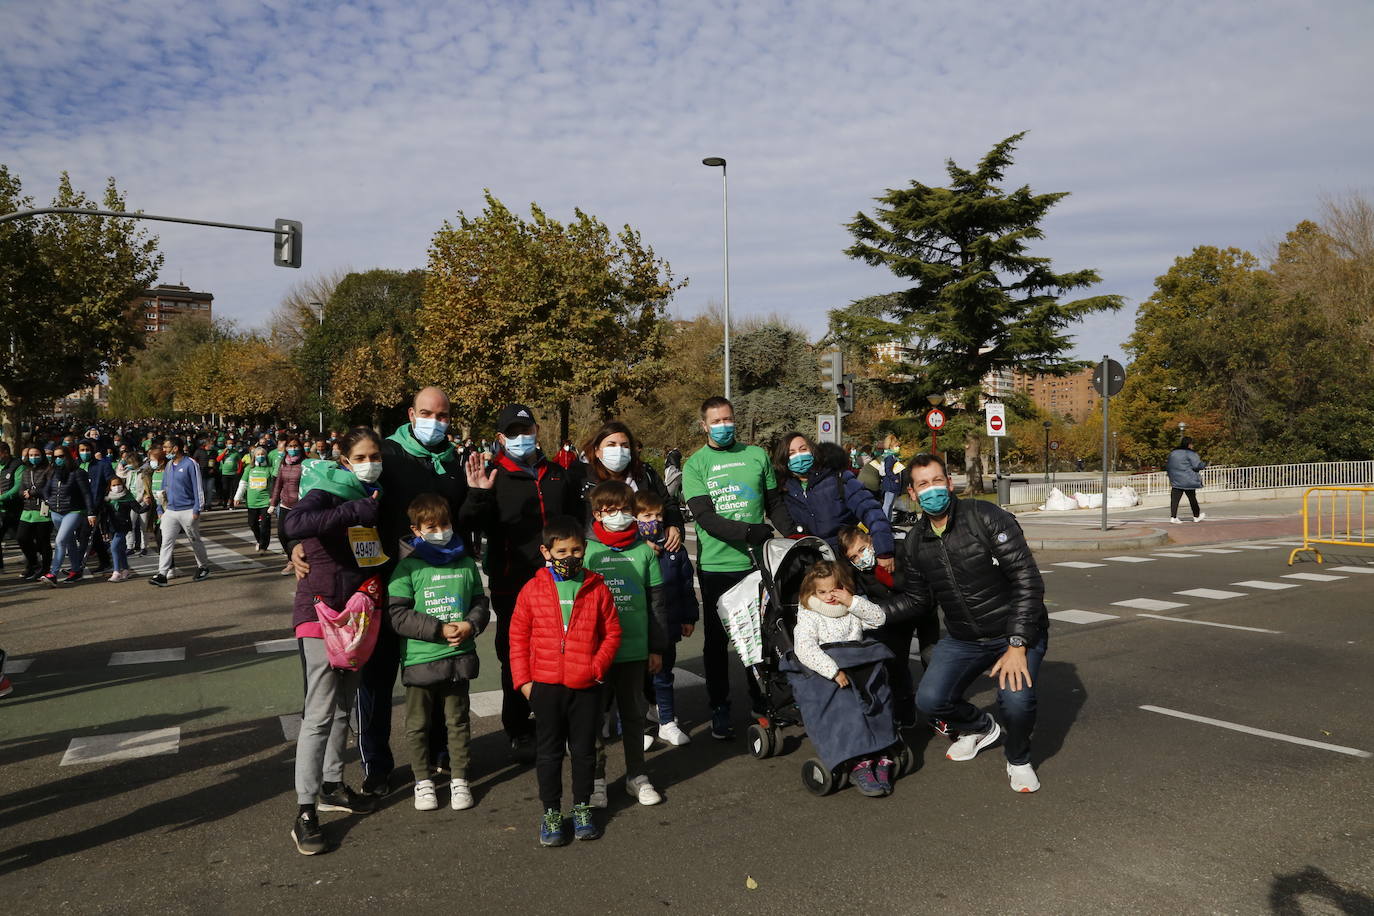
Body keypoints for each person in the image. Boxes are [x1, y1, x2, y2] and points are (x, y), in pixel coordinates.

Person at [901, 454, 1049, 793]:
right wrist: (861, 608)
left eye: (938, 481)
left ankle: (1018, 757)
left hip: (1018, 630)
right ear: (912, 493)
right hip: (966, 637)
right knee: (930, 700)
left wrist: (1017, 644)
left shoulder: (984, 516)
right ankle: (980, 727)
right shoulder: (914, 542)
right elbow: (918, 600)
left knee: (1016, 701)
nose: (932, 489)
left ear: (950, 484)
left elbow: (1028, 580)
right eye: (923, 484)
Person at [359, 386, 469, 796]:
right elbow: (337, 499)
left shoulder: (454, 460)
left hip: (436, 590)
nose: (434, 423)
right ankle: (377, 766)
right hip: (384, 584)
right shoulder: (383, 456)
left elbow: (462, 518)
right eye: (427, 413)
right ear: (410, 413)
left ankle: (440, 752)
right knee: (377, 679)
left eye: (442, 416)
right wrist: (295, 543)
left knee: (436, 673)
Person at [461, 403, 584, 763]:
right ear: (500, 438)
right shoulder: (494, 475)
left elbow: (576, 522)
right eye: (512, 433)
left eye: (526, 431)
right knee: (515, 655)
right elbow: (468, 522)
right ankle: (517, 727)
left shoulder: (557, 473)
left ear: (536, 432)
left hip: (558, 579)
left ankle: (556, 719)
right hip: (512, 583)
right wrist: (478, 493)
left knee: (559, 647)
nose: (520, 438)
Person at [282, 431, 385, 855]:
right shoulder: (326, 488)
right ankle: (305, 811)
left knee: (346, 704)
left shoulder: (376, 492)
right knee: (320, 713)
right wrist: (350, 510)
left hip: (358, 614)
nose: (369, 462)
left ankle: (331, 784)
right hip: (320, 613)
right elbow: (294, 524)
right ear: (344, 459)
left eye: (375, 455)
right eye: (361, 456)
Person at [508, 515, 621, 846]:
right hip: (545, 686)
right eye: (561, 551)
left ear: (584, 549)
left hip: (585, 685)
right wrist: (524, 682)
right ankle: (552, 812)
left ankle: (582, 807)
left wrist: (597, 667)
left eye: (576, 550)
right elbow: (517, 637)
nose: (569, 557)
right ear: (547, 551)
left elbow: (612, 632)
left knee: (585, 752)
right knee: (549, 753)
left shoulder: (596, 587)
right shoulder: (532, 589)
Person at [680, 396, 787, 738]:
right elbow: (706, 519)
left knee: (761, 636)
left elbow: (775, 504)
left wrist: (799, 534)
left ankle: (761, 702)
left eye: (728, 419)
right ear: (704, 426)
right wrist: (748, 531)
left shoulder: (756, 456)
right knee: (716, 642)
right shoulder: (695, 465)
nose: (724, 426)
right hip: (716, 566)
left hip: (755, 564)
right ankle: (719, 705)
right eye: (716, 421)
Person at [387, 493, 489, 813]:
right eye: (431, 526)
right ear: (416, 530)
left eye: (444, 524)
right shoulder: (408, 567)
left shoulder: (465, 563)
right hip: (421, 660)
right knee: (417, 724)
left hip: (459, 658)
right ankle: (423, 781)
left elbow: (479, 603)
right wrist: (437, 629)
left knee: (457, 721)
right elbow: (397, 614)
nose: (440, 531)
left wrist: (471, 625)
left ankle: (459, 778)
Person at [583, 481, 668, 808]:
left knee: (634, 716)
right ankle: (596, 779)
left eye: (623, 510)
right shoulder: (588, 551)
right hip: (597, 653)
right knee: (592, 719)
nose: (617, 516)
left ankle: (637, 775)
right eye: (609, 510)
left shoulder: (645, 551)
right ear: (597, 513)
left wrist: (656, 647)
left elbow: (656, 602)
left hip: (635, 651)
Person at [792, 559, 893, 796]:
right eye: (822, 592)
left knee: (878, 696)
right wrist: (832, 670)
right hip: (831, 670)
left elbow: (879, 619)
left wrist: (851, 601)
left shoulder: (850, 609)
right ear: (813, 591)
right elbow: (804, 648)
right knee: (848, 706)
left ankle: (882, 748)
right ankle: (859, 761)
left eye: (833, 590)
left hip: (857, 665)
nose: (828, 597)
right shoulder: (809, 614)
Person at [837, 523, 937, 727]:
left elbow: (921, 592)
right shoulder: (859, 572)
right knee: (895, 663)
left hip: (923, 613)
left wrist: (886, 590)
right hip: (894, 619)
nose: (860, 558)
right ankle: (905, 710)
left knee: (932, 657)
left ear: (871, 541)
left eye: (862, 549)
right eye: (854, 557)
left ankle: (940, 709)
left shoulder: (901, 551)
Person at [633, 489, 697, 747]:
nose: (655, 520)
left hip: (666, 624)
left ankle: (667, 722)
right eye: (647, 515)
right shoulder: (631, 549)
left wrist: (689, 616)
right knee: (636, 679)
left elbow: (684, 586)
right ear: (634, 517)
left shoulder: (675, 549)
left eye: (658, 515)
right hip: (637, 626)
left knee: (663, 673)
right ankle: (639, 725)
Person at [772, 435, 895, 565]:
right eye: (791, 453)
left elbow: (870, 509)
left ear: (813, 451)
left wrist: (884, 548)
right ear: (784, 459)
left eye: (803, 449)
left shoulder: (837, 477)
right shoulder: (783, 490)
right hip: (813, 565)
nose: (799, 456)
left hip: (848, 559)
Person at [579, 421, 685, 554]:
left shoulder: (645, 473)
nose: (618, 450)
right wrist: (638, 546)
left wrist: (674, 525)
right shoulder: (580, 477)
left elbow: (667, 502)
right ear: (597, 451)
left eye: (624, 445)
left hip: (652, 556)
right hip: (599, 555)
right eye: (611, 445)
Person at [148, 437, 211, 587]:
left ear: (176, 448)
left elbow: (198, 486)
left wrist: (197, 508)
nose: (164, 450)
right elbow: (163, 488)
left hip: (188, 509)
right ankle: (162, 574)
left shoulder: (190, 464)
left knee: (194, 540)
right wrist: (159, 507)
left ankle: (203, 567)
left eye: (167, 447)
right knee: (166, 541)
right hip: (170, 510)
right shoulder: (169, 465)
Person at [39, 445, 96, 587]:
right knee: (69, 542)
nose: (58, 459)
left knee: (60, 540)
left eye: (61, 456)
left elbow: (87, 494)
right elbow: (45, 490)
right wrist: (48, 500)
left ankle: (53, 573)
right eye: (56, 457)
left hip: (74, 511)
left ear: (68, 457)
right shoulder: (52, 472)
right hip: (56, 512)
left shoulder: (78, 472)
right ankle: (76, 571)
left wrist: (91, 513)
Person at [16, 446, 54, 581]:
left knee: (43, 542)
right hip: (27, 510)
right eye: (31, 455)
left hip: (43, 510)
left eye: (37, 454)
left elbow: (48, 487)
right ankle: (33, 564)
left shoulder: (49, 470)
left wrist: (32, 492)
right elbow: (21, 490)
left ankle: (45, 568)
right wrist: (24, 494)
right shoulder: (26, 471)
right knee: (22, 538)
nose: (33, 457)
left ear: (42, 455)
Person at [75, 439, 114, 574]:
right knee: (92, 535)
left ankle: (77, 566)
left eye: (87, 450)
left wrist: (105, 497)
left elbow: (112, 481)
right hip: (78, 506)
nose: (85, 453)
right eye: (82, 450)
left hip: (95, 506)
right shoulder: (76, 465)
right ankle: (105, 561)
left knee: (86, 535)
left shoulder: (102, 465)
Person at [270, 438, 305, 573]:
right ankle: (291, 559)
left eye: (296, 446)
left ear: (300, 447)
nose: (293, 448)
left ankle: (299, 560)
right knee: (282, 533)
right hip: (285, 504)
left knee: (297, 534)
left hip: (300, 505)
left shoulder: (305, 464)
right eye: (290, 446)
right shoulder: (283, 464)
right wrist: (273, 503)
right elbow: (278, 485)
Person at [233, 446, 275, 553]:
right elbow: (243, 484)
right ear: (254, 456)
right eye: (258, 454)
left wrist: (273, 498)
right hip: (252, 502)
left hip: (265, 501)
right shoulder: (249, 469)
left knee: (265, 525)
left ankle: (263, 546)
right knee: (252, 523)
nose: (260, 456)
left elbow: (274, 485)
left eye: (262, 454)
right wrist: (237, 497)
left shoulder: (269, 469)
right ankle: (259, 540)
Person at [100, 476, 139, 581]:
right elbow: (104, 516)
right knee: (120, 549)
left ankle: (116, 571)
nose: (117, 487)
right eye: (114, 485)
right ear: (110, 487)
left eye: (118, 484)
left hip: (123, 526)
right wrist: (104, 530)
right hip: (112, 527)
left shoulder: (128, 496)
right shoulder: (107, 499)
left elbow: (138, 509)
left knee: (114, 548)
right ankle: (125, 570)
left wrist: (147, 504)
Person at [1167, 436, 1207, 524]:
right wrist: (1204, 464)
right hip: (1188, 480)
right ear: (1189, 444)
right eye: (1192, 444)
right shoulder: (1190, 453)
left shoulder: (1173, 453)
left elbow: (1168, 465)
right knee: (1192, 498)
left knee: (1175, 499)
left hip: (1176, 479)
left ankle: (1173, 517)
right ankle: (1196, 516)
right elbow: (1197, 465)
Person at [0, 442, 22, 571]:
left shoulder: (18, 466)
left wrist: (2, 497)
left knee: (22, 538)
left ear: (6, 453)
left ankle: (34, 560)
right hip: (1, 510)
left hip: (14, 510)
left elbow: (17, 487)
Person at [216, 437, 245, 511]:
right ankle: (225, 502)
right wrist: (224, 452)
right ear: (226, 444)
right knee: (225, 489)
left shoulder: (236, 453)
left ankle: (231, 504)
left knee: (233, 489)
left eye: (232, 444)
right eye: (229, 443)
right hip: (225, 473)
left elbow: (240, 463)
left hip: (234, 474)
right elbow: (218, 459)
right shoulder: (221, 451)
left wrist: (238, 471)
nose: (231, 445)